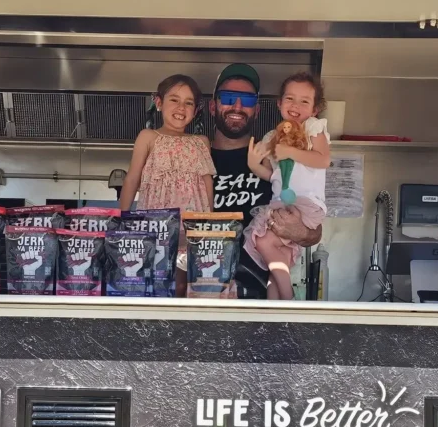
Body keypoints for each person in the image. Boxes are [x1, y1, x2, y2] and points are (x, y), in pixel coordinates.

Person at [209, 64, 323, 298]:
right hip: (205, 293)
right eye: (229, 98)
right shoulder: (196, 160)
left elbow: (315, 231)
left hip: (261, 300)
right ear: (213, 106)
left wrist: (299, 231)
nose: (238, 106)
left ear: (257, 110)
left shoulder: (276, 157)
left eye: (248, 100)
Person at [244, 73, 330, 299]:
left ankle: (289, 300)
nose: (296, 106)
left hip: (305, 203)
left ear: (314, 110)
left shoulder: (313, 128)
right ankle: (276, 311)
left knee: (262, 240)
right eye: (290, 99)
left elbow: (323, 160)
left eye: (305, 101)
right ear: (280, 103)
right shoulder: (275, 136)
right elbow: (274, 175)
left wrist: (291, 152)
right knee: (276, 258)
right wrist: (254, 165)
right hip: (283, 201)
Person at [119, 74, 215, 214]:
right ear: (159, 103)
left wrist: (209, 222)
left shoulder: (201, 142)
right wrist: (122, 216)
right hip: (156, 222)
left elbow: (207, 184)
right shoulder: (148, 137)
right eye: (174, 100)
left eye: (188, 103)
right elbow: (132, 179)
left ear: (195, 111)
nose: (181, 107)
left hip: (193, 223)